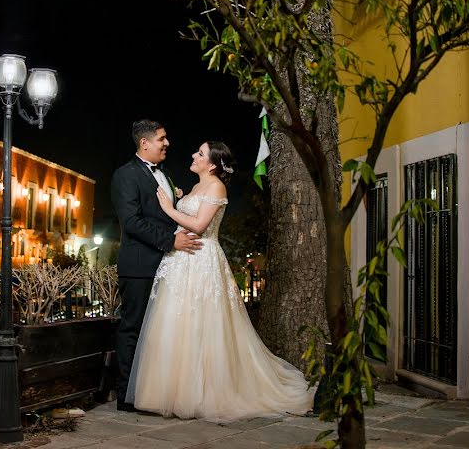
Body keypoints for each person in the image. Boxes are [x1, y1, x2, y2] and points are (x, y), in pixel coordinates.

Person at [126, 140, 315, 422]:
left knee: (204, 324)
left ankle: (203, 393)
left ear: (212, 164)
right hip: (181, 261)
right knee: (177, 324)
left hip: (202, 259)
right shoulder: (196, 187)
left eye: (200, 153)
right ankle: (170, 391)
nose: (193, 155)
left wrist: (169, 207)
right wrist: (178, 198)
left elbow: (200, 226)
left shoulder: (216, 186)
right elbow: (188, 215)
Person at [110, 119, 203, 412]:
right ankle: (126, 397)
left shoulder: (164, 174)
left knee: (157, 331)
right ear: (144, 143)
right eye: (162, 139)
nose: (167, 143)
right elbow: (132, 223)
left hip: (165, 265)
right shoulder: (125, 175)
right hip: (139, 265)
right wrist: (171, 241)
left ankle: (148, 392)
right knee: (133, 329)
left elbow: (163, 215)